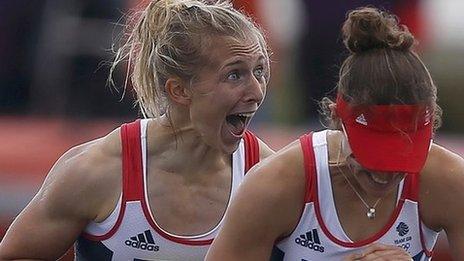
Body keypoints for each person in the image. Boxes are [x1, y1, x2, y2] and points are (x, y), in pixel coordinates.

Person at [0, 0, 274, 260]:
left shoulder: (269, 175)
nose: (256, 92)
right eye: (234, 75)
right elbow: (15, 254)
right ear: (178, 90)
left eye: (259, 71)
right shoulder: (99, 170)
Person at [206, 6, 464, 261]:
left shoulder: (449, 181)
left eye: (401, 156)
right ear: (337, 119)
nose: (384, 173)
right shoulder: (276, 184)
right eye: (374, 153)